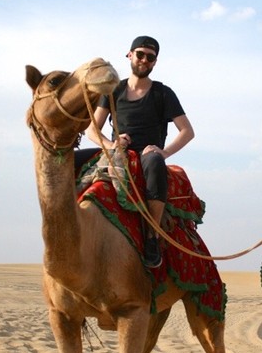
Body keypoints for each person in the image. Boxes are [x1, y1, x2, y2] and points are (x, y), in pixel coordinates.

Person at [77, 35, 195, 268]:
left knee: (154, 164)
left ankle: (152, 235)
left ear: (154, 62)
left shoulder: (163, 93)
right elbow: (93, 129)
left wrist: (163, 152)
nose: (144, 60)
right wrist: (111, 145)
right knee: (69, 160)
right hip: (116, 152)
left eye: (150, 57)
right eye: (140, 54)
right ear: (130, 55)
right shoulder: (113, 90)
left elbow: (187, 131)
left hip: (146, 155)